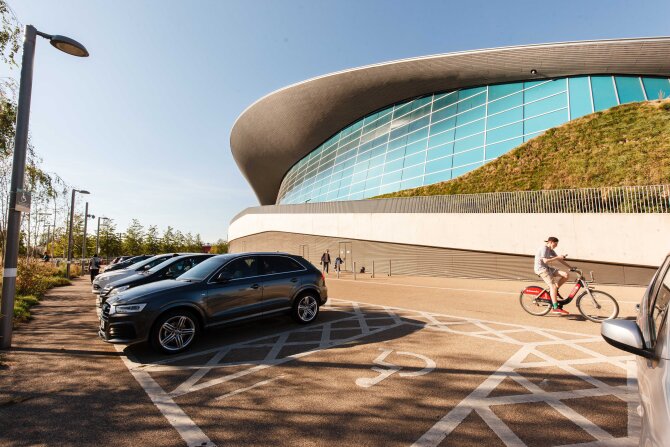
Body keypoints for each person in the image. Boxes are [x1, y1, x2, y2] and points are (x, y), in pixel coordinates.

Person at [534, 236, 572, 315]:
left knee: (565, 275)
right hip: (541, 269)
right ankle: (555, 308)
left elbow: (559, 259)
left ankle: (554, 291)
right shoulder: (543, 248)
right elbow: (545, 260)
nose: (556, 246)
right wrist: (557, 257)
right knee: (553, 286)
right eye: (555, 244)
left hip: (547, 268)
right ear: (550, 242)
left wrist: (571, 267)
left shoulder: (550, 249)